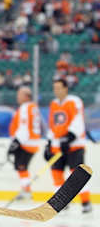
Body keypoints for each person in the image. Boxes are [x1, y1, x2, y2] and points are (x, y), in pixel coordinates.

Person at [44, 78, 92, 214]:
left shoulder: (74, 101)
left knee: (76, 174)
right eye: (55, 88)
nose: (56, 91)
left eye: (59, 87)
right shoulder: (53, 103)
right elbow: (52, 124)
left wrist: (70, 137)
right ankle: (61, 203)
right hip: (58, 145)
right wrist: (48, 143)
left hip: (74, 145)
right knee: (56, 173)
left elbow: (78, 119)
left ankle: (86, 202)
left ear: (66, 88)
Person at [7, 86, 41, 200]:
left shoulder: (25, 107)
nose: (18, 97)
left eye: (20, 94)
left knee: (21, 167)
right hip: (31, 141)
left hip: (25, 142)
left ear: (26, 96)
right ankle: (26, 190)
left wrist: (16, 142)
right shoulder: (33, 107)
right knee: (22, 167)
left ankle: (26, 191)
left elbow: (24, 127)